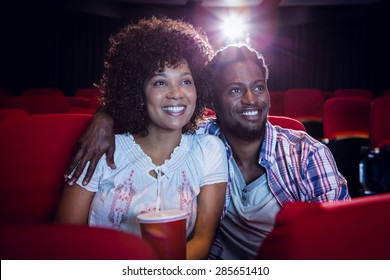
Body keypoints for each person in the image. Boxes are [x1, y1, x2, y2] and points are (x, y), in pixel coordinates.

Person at [64, 43, 350, 260]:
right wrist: (105, 115)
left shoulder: (308, 155)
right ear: (212, 98)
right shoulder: (200, 138)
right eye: (235, 91)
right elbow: (158, 111)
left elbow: (338, 242)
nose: (251, 100)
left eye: (258, 87)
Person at [55, 16, 228, 260]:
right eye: (160, 82)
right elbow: (65, 240)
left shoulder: (209, 149)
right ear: (137, 90)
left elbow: (202, 239)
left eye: (186, 81)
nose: (177, 94)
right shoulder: (102, 145)